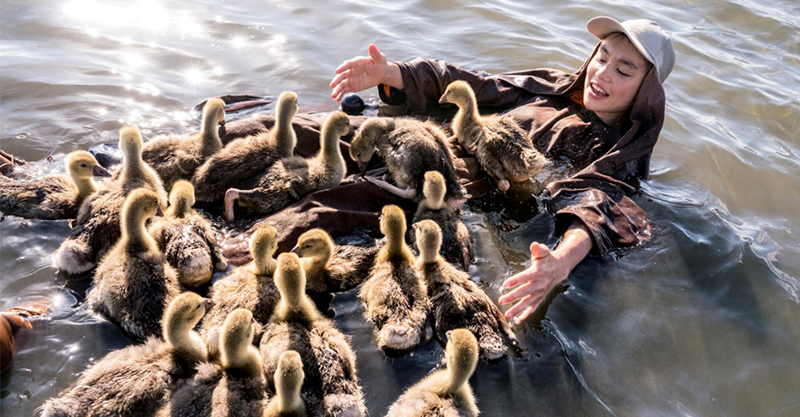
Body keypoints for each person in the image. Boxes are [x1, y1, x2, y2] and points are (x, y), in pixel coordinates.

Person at [329, 16, 676, 325]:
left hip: (453, 186)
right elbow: (477, 85)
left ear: (645, 92)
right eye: (601, 57)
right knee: (311, 131)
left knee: (329, 206)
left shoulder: (617, 153)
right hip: (422, 144)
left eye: (623, 70)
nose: (602, 73)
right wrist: (394, 74)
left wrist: (560, 262)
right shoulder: (549, 88)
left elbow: (603, 204)